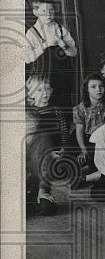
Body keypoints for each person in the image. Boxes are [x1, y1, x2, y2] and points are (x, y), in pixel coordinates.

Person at [24, 0, 78, 110]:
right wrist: (44, 46)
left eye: (51, 10)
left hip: (63, 74)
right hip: (43, 77)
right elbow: (27, 58)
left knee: (64, 102)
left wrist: (65, 47)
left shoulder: (60, 29)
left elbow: (74, 52)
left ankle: (65, 126)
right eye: (43, 11)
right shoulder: (31, 33)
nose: (48, 14)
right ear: (35, 12)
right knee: (47, 103)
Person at [25, 75, 68, 214]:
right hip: (33, 158)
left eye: (47, 89)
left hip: (52, 154)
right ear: (29, 94)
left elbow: (64, 132)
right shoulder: (28, 113)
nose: (44, 93)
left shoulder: (56, 110)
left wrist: (63, 150)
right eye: (39, 90)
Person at [72, 72, 105, 185]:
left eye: (101, 86)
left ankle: (87, 175)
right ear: (86, 89)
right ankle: (87, 171)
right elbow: (79, 131)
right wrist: (83, 149)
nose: (98, 89)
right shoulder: (80, 108)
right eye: (93, 87)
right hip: (88, 140)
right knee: (88, 157)